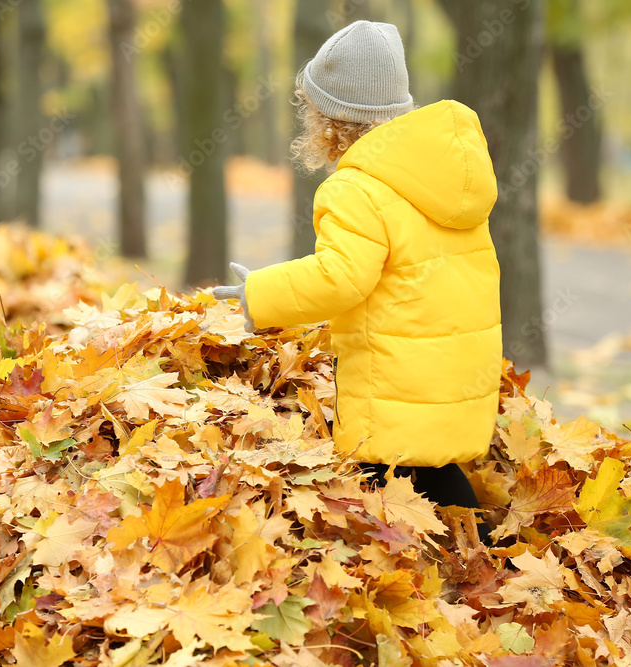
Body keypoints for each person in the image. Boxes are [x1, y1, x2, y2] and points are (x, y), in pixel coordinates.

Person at [213, 20, 500, 543]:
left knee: (376, 485)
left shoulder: (356, 188)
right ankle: (478, 557)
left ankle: (386, 573)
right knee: (436, 471)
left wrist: (261, 293)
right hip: (455, 370)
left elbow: (341, 277)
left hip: (393, 377)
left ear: (331, 120)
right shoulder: (449, 178)